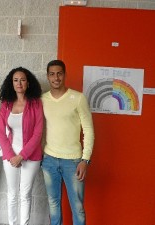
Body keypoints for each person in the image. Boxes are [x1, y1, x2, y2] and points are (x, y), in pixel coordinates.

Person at [41, 60, 95, 225]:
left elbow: (89, 130)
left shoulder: (78, 98)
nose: (56, 78)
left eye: (59, 73)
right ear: (48, 76)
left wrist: (85, 160)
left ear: (64, 74)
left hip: (73, 162)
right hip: (49, 160)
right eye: (52, 74)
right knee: (53, 204)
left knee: (77, 207)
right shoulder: (42, 99)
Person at [0, 67, 43, 225]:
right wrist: (11, 156)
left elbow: (38, 134)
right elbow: (1, 133)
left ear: (28, 83)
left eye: (22, 79)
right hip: (10, 156)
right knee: (12, 194)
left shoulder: (36, 103)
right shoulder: (6, 104)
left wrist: (21, 156)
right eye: (15, 80)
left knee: (25, 194)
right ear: (11, 83)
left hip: (31, 157)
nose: (19, 83)